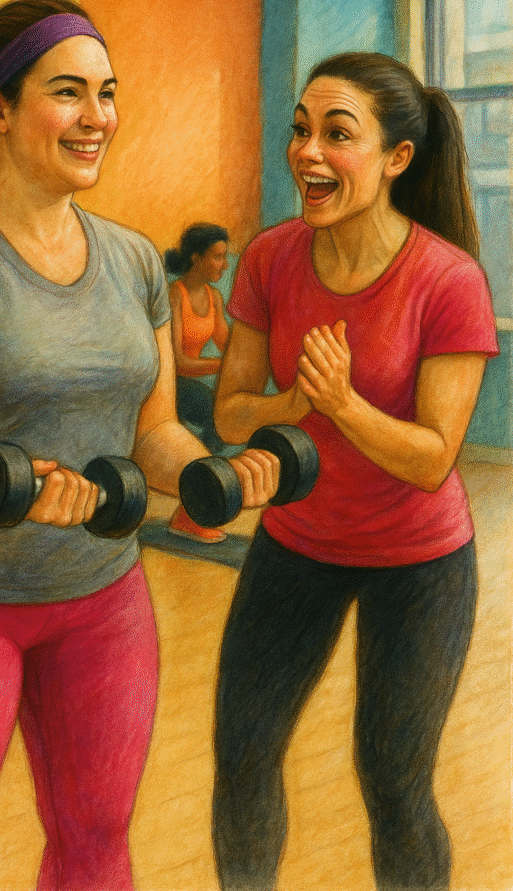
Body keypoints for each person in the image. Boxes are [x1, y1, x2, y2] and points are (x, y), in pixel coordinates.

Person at [0, 0, 280, 891]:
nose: (97, 118)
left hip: (100, 598)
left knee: (96, 838)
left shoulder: (132, 260)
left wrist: (211, 475)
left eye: (107, 93)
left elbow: (153, 432)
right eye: (67, 92)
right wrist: (20, 491)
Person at [210, 51, 499, 891]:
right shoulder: (269, 258)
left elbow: (432, 458)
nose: (307, 152)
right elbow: (229, 414)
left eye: (337, 134)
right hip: (295, 543)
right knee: (242, 756)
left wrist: (340, 405)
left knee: (393, 783)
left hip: (418, 562)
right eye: (300, 129)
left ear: (396, 157)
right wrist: (289, 405)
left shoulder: (448, 280)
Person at [164, 223, 230, 543]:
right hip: (167, 384)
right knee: (217, 418)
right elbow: (179, 362)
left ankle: (190, 511)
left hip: (188, 384)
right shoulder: (174, 295)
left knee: (223, 419)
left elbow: (229, 347)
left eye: (225, 257)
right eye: (217, 257)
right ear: (196, 258)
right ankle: (190, 512)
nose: (225, 265)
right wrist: (222, 365)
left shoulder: (214, 297)